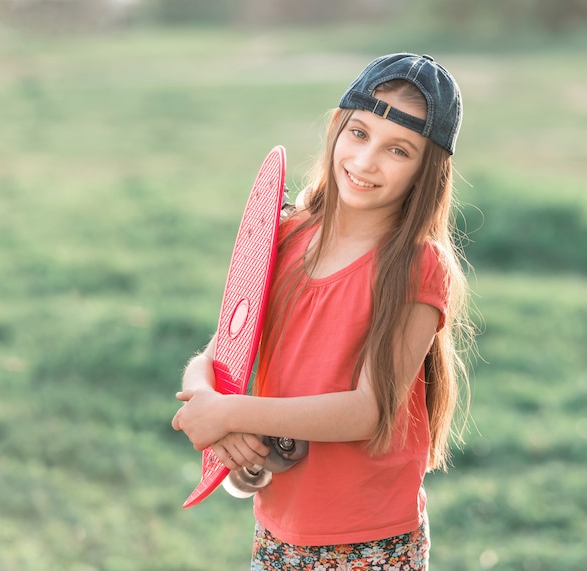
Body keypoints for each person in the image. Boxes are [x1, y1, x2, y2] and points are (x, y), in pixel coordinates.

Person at [172, 52, 474, 570]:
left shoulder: (417, 267)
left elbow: (368, 410)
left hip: (368, 538)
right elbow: (225, 348)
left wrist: (232, 412)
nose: (366, 161)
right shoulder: (286, 234)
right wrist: (206, 396)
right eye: (359, 134)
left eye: (397, 150)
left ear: (428, 171)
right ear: (336, 127)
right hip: (278, 526)